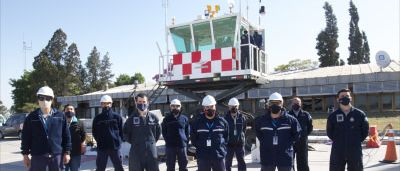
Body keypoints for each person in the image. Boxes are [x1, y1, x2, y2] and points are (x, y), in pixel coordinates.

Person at [21, 86, 71, 171]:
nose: (44, 101)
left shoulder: (60, 116)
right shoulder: (31, 117)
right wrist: (25, 155)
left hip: (56, 156)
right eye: (41, 98)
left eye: (48, 98)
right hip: (38, 156)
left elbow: (66, 135)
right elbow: (26, 137)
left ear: (52, 99)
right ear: (38, 99)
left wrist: (67, 152)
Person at [255, 92, 301, 171]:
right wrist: (266, 143)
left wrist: (287, 144)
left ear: (282, 104)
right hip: (267, 157)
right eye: (272, 103)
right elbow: (259, 134)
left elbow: (297, 134)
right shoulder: (261, 121)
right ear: (269, 104)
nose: (275, 105)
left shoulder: (291, 120)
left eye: (277, 103)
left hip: (285, 157)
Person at [327, 89, 369, 171]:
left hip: (355, 150)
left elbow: (365, 131)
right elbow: (329, 132)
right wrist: (339, 141)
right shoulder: (332, 116)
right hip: (337, 151)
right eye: (342, 96)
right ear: (338, 99)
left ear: (351, 98)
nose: (345, 97)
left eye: (347, 96)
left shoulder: (360, 114)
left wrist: (355, 141)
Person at [123, 93, 161, 171]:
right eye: (140, 102)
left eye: (144, 102)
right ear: (136, 103)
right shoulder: (131, 119)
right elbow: (126, 134)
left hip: (151, 152)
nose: (142, 104)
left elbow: (157, 133)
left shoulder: (154, 118)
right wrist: (136, 142)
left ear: (147, 102)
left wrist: (150, 142)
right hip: (136, 152)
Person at [191, 95, 229, 171]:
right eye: (207, 107)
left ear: (215, 106)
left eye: (211, 106)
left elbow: (226, 138)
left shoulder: (222, 122)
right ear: (203, 108)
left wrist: (221, 150)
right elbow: (194, 139)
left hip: (218, 156)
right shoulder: (197, 123)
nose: (209, 109)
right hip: (203, 157)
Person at [92, 95, 124, 171]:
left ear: (111, 104)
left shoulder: (117, 117)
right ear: (101, 104)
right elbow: (94, 132)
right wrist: (100, 141)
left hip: (115, 147)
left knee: (119, 167)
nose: (106, 105)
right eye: (104, 103)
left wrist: (118, 141)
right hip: (102, 148)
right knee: (100, 168)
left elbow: (122, 131)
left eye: (108, 103)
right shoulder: (97, 118)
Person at [161, 99, 190, 171]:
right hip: (170, 146)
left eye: (177, 106)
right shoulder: (166, 119)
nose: (175, 108)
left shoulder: (184, 119)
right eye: (173, 106)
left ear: (180, 107)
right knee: (170, 166)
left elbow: (187, 132)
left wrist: (185, 141)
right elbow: (164, 132)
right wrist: (168, 141)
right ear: (170, 107)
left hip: (182, 146)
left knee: (183, 166)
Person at [288, 97, 313, 171]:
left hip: (302, 142)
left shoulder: (306, 115)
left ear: (301, 104)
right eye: (294, 103)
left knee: (303, 162)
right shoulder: (288, 115)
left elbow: (310, 127)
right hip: (291, 142)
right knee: (289, 162)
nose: (296, 104)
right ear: (292, 104)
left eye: (298, 103)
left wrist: (303, 135)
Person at [224, 98, 247, 171]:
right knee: (228, 162)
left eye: (235, 106)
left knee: (241, 162)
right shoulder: (225, 118)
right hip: (229, 144)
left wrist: (241, 138)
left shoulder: (242, 118)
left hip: (239, 144)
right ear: (229, 107)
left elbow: (244, 129)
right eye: (232, 106)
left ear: (238, 106)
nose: (234, 108)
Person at [64, 104, 86, 171]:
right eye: (67, 109)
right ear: (64, 111)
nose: (69, 111)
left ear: (74, 111)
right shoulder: (60, 122)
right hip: (63, 152)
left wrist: (82, 145)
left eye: (71, 109)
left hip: (76, 152)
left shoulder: (79, 123)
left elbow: (83, 136)